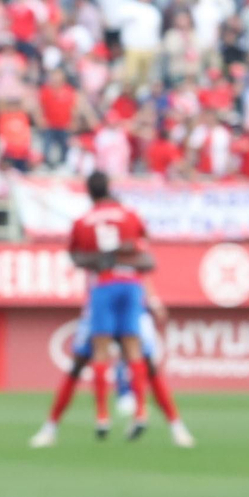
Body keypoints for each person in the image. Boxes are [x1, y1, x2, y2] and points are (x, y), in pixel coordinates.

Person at [31, 291, 193, 448]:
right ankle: (51, 428)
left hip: (130, 306)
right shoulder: (100, 268)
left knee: (148, 366)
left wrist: (153, 300)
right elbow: (81, 263)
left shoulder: (133, 269)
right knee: (78, 365)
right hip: (100, 304)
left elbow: (145, 267)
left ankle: (173, 426)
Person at [59, 172, 154, 439]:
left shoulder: (83, 221)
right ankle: (141, 412)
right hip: (132, 284)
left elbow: (75, 257)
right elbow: (143, 245)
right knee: (133, 348)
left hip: (104, 285)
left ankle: (102, 417)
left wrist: (99, 259)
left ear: (88, 192)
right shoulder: (129, 214)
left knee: (100, 350)